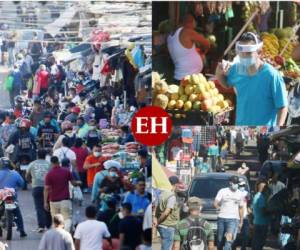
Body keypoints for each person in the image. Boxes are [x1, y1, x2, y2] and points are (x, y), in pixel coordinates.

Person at [216, 32, 288, 126]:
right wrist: (219, 73)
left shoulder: (272, 75)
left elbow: (282, 106)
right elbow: (226, 84)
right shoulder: (237, 69)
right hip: (241, 130)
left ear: (259, 52)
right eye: (242, 53)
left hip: (264, 133)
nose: (244, 56)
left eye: (249, 53)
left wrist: (277, 130)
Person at [167, 14, 210, 82]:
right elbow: (206, 43)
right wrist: (203, 51)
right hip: (188, 79)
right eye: (194, 24)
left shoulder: (170, 35)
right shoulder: (186, 32)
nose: (193, 28)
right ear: (190, 22)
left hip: (180, 77)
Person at [44, 156, 81, 232]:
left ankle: (58, 235)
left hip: (53, 200)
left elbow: (46, 189)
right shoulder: (66, 172)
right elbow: (73, 183)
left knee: (56, 220)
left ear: (51, 163)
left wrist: (45, 202)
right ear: (58, 162)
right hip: (65, 200)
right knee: (67, 218)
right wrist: (79, 183)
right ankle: (67, 233)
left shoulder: (49, 174)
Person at [214, 175, 244, 250]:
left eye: (237, 183)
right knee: (220, 240)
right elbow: (215, 202)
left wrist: (241, 221)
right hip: (222, 218)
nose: (236, 185)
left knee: (229, 239)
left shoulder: (240, 194)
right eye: (235, 183)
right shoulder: (222, 191)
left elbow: (241, 208)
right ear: (230, 183)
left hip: (233, 220)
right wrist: (218, 207)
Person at [0, 157, 27, 237]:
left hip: (1, 197)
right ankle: (22, 230)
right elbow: (22, 184)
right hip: (12, 197)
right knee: (17, 212)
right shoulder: (15, 173)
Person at [26, 149, 52, 232]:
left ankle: (41, 226)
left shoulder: (32, 164)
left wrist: (30, 182)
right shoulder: (49, 164)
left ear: (37, 155)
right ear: (45, 156)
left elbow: (27, 175)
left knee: (39, 207)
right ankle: (48, 225)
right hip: (47, 188)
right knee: (48, 206)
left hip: (36, 187)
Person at [154, 176, 180, 250]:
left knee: (165, 245)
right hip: (168, 226)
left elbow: (156, 208)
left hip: (163, 226)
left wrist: (156, 219)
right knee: (167, 247)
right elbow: (166, 212)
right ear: (175, 184)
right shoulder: (171, 196)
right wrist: (158, 221)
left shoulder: (161, 194)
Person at [252, 181, 271, 250]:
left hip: (256, 222)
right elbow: (263, 211)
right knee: (260, 243)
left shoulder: (255, 196)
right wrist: (271, 212)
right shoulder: (261, 197)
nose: (267, 189)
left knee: (256, 241)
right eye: (266, 187)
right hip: (262, 223)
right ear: (262, 188)